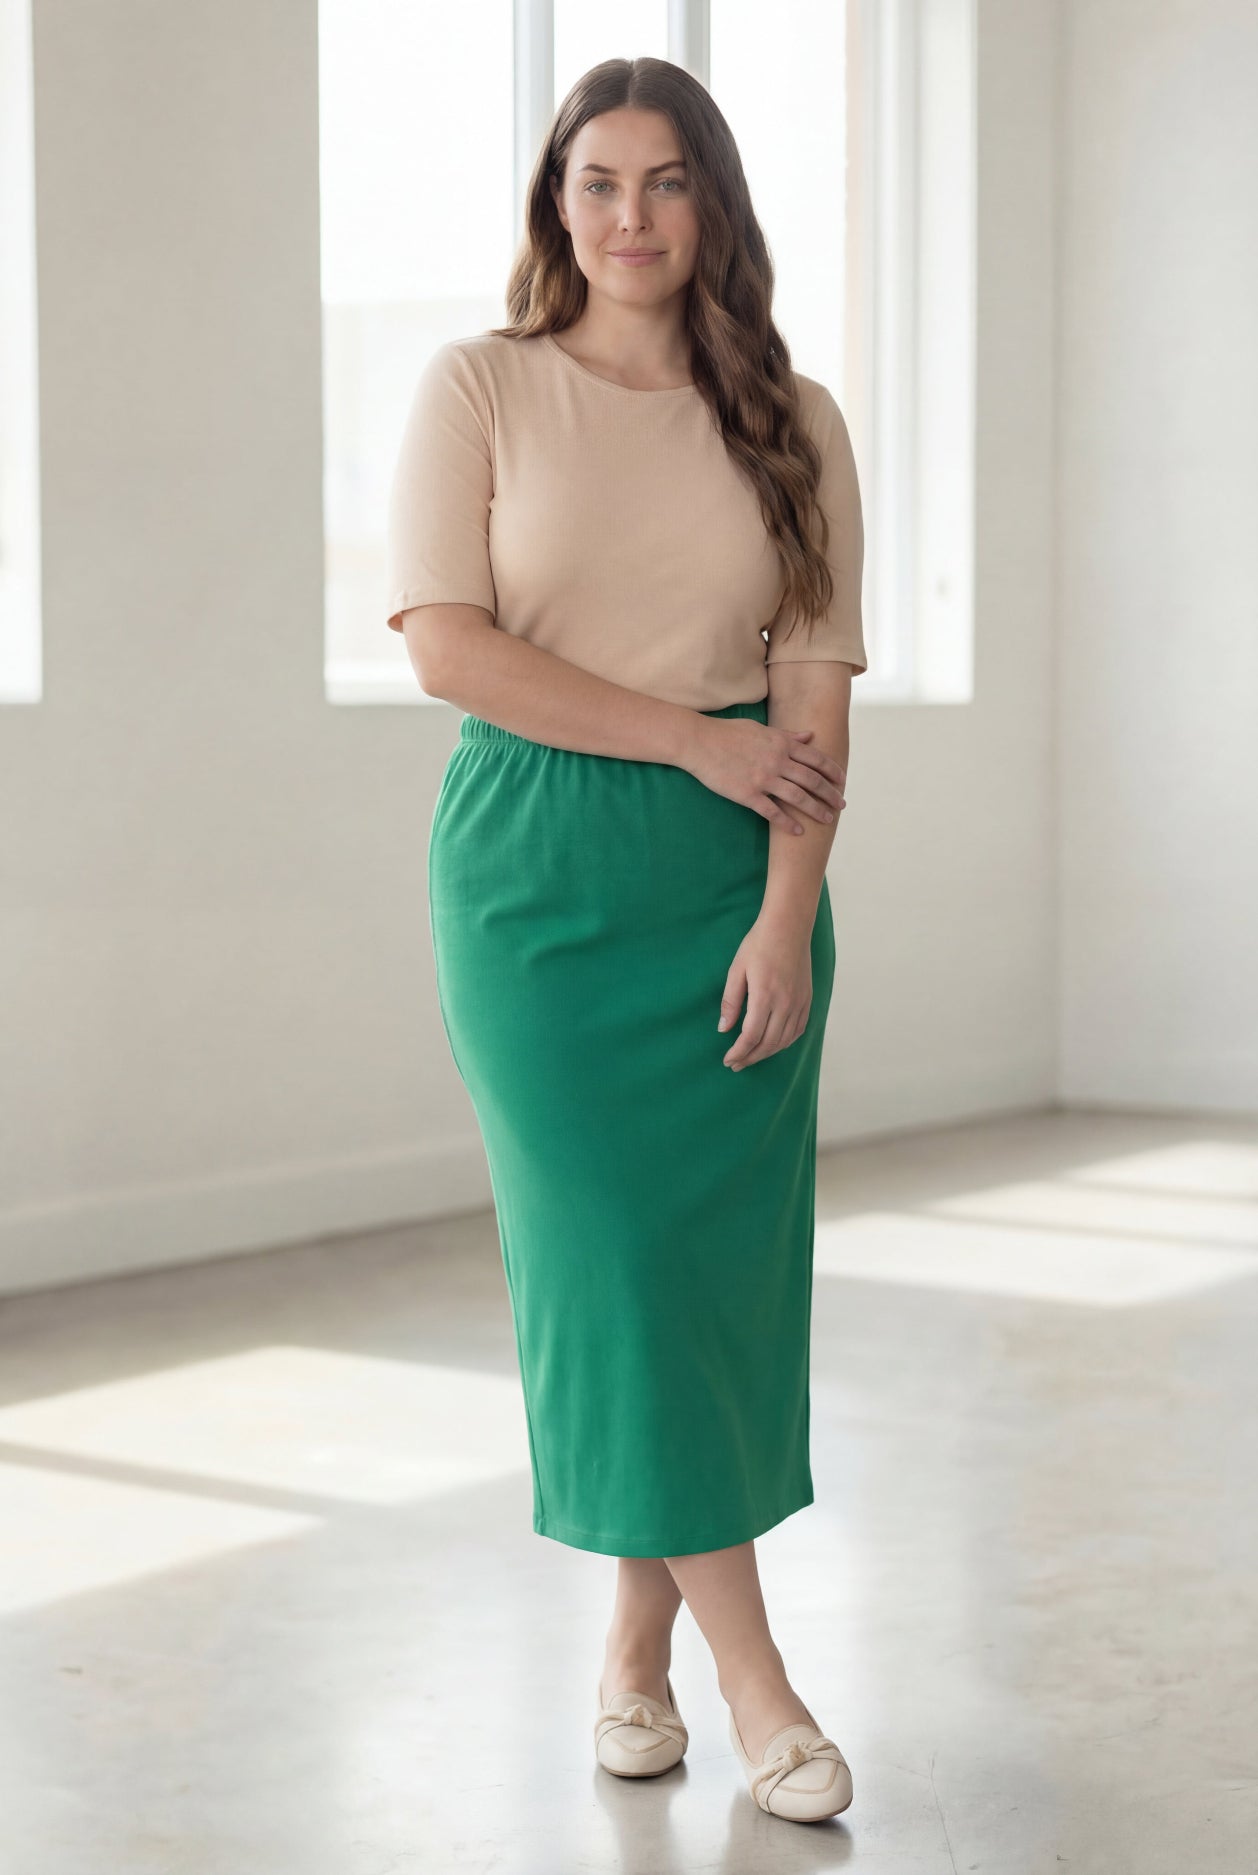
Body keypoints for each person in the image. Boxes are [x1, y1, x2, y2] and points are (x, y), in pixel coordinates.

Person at [386, 56, 866, 1826]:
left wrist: (786, 916)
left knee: (700, 1278)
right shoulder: (480, 386)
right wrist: (688, 742)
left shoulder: (793, 419)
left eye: (666, 182)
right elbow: (448, 647)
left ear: (711, 205)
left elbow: (813, 698)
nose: (630, 216)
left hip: (736, 875)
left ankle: (631, 1657)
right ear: (556, 203)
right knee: (611, 1264)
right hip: (536, 873)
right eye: (597, 181)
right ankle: (759, 1684)